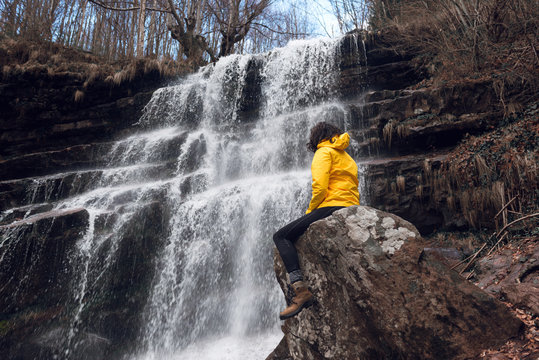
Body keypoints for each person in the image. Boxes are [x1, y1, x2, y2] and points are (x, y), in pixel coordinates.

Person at [273, 122, 360, 320]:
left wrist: (310, 211)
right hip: (350, 205)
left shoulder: (323, 152)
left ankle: (301, 292)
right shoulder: (345, 155)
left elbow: (320, 187)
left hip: (332, 205)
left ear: (316, 139)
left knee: (280, 236)